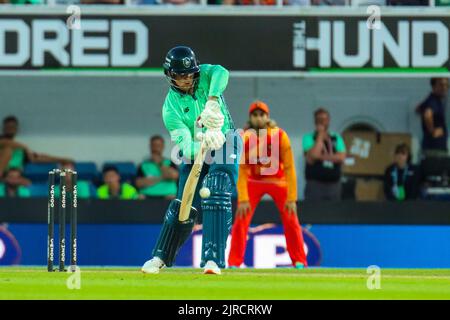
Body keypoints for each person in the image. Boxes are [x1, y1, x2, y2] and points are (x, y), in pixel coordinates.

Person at [141, 46, 241, 275]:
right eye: (180, 76)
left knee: (217, 188)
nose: (186, 79)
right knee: (183, 204)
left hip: (227, 139)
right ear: (170, 76)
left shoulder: (206, 75)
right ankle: (160, 257)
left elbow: (222, 72)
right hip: (197, 147)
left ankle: (212, 260)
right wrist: (204, 143)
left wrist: (213, 100)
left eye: (188, 74)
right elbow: (185, 145)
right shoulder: (170, 108)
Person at [228, 101, 307, 269]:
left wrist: (292, 197)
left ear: (267, 117)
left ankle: (299, 260)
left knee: (291, 219)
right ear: (250, 118)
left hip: (277, 181)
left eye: (261, 115)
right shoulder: (245, 137)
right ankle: (234, 262)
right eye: (255, 115)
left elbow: (289, 167)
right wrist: (243, 198)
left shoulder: (280, 136)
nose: (258, 118)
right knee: (241, 219)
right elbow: (241, 169)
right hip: (253, 181)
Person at [0, 116, 73, 178]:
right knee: (7, 150)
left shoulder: (20, 150)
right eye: (8, 127)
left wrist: (61, 159)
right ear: (4, 128)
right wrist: (24, 147)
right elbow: (5, 143)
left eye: (12, 127)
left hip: (14, 176)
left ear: (17, 129)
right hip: (4, 175)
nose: (10, 129)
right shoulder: (8, 143)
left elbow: (36, 158)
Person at [303, 108, 346, 201]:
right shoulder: (308, 137)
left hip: (334, 184)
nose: (322, 122)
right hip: (315, 184)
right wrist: (320, 136)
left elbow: (341, 157)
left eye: (324, 119)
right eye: (319, 119)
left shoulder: (336, 137)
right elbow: (312, 157)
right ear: (315, 121)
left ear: (329, 120)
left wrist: (320, 157)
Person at [416, 78, 449, 157]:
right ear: (434, 87)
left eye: (446, 85)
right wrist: (432, 131)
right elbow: (428, 115)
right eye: (441, 85)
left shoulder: (432, 100)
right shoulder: (433, 101)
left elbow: (418, 109)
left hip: (432, 148)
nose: (444, 88)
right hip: (434, 149)